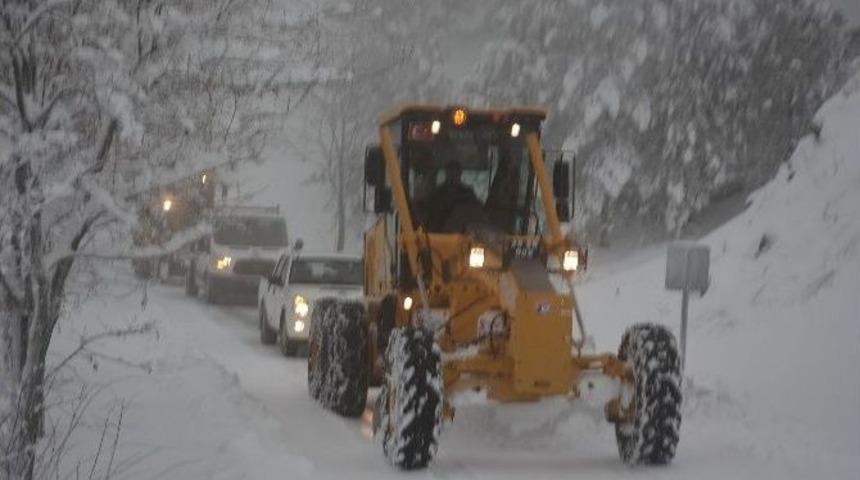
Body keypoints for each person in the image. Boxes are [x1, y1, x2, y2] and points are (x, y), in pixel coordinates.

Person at [425, 160, 480, 232]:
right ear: (446, 174)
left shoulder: (468, 193)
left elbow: (475, 212)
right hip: (438, 233)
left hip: (463, 232)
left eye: (455, 174)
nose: (452, 177)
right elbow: (428, 213)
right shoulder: (437, 193)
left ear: (460, 174)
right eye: (450, 173)